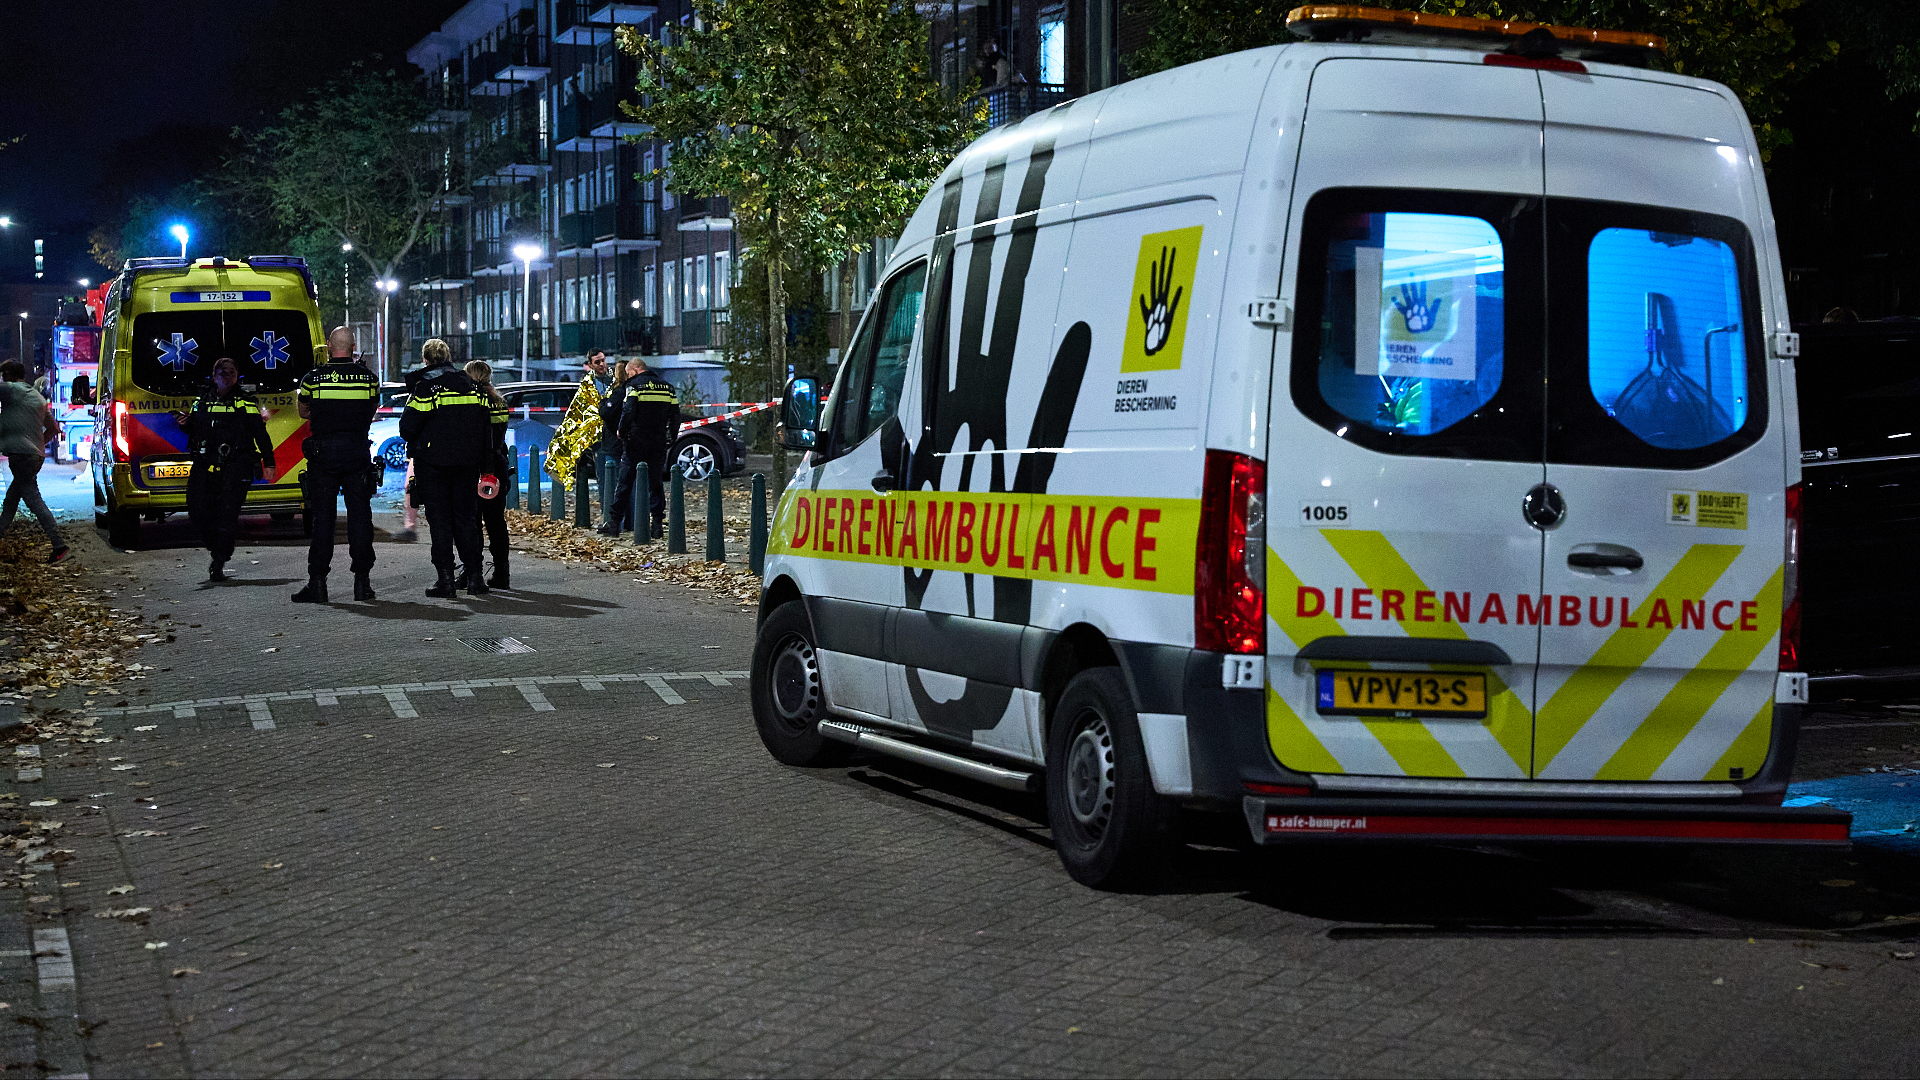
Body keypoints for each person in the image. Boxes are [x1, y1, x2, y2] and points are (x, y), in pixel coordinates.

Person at [292, 327, 381, 604]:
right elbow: (372, 407)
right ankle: (362, 584)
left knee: (323, 521)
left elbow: (303, 410)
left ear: (329, 346)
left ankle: (318, 584)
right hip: (356, 452)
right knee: (360, 518)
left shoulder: (313, 378)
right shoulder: (368, 378)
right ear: (353, 347)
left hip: (323, 455)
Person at [400, 338, 491, 597]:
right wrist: (485, 466)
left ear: (425, 360)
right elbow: (486, 432)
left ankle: (446, 580)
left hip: (434, 466)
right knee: (466, 520)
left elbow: (407, 429)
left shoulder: (426, 389)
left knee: (440, 523)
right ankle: (475, 578)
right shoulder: (473, 388)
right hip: (467, 465)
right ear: (449, 357)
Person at [174, 356, 275, 582]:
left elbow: (260, 433)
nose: (227, 377)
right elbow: (196, 429)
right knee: (197, 509)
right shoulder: (202, 399)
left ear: (237, 375)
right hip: (204, 463)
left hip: (236, 464)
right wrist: (185, 425)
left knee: (227, 515)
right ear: (214, 375)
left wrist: (269, 462)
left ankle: (219, 559)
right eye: (223, 373)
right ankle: (216, 548)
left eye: (231, 372)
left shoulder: (245, 401)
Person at [0, 360, 69, 564]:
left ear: (9, 375)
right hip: (35, 456)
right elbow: (53, 429)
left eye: (3, 375)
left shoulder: (12, 390)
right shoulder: (38, 397)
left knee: (34, 501)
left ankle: (60, 546)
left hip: (20, 456)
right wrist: (38, 444)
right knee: (12, 500)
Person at [618, 358, 679, 537]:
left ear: (636, 370)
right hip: (658, 442)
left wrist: (622, 432)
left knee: (625, 482)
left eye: (629, 374)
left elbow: (628, 412)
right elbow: (675, 416)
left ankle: (615, 524)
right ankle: (657, 524)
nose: (628, 377)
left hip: (636, 440)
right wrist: (671, 438)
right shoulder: (667, 387)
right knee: (656, 483)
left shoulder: (634, 387)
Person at [466, 360, 512, 589]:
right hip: (498, 466)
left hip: (475, 467)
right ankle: (502, 572)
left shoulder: (471, 402)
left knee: (472, 522)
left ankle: (471, 571)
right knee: (496, 522)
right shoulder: (500, 402)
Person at [596, 359, 636, 536]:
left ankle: (614, 523)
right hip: (628, 442)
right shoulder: (632, 391)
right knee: (628, 482)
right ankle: (631, 521)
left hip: (614, 444)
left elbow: (606, 413)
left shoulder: (618, 392)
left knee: (613, 484)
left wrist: (603, 402)